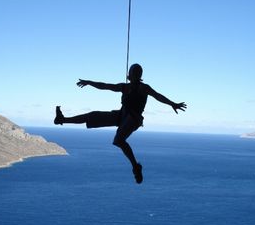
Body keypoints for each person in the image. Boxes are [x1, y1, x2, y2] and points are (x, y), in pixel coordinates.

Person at [54, 63, 187, 184]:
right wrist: (89, 82)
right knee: (93, 116)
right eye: (134, 73)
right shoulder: (125, 87)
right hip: (122, 115)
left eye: (135, 73)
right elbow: (105, 86)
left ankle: (135, 166)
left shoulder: (142, 88)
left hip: (133, 119)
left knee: (118, 140)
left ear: (134, 75)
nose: (134, 75)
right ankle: (63, 120)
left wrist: (172, 104)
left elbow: (158, 96)